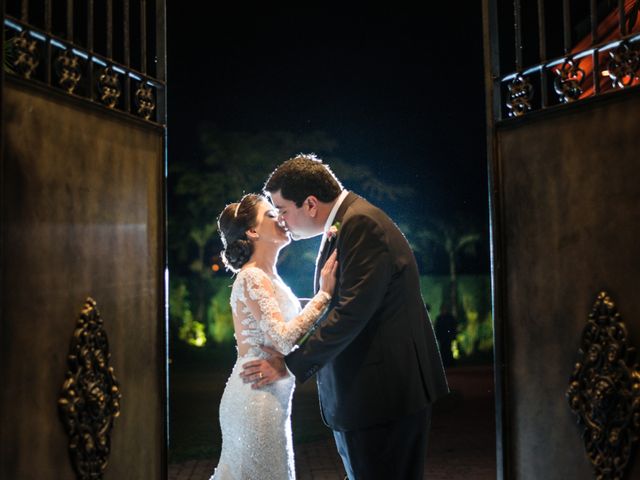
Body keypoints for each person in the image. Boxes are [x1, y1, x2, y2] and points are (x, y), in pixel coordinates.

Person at [241, 154, 450, 479]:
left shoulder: (362, 225)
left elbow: (352, 313)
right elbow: (350, 299)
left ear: (310, 203)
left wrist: (290, 365)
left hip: (381, 397)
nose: (281, 220)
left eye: (282, 210)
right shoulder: (351, 221)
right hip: (375, 396)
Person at [210, 193, 338, 479]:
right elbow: (282, 339)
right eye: (271, 214)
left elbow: (289, 325)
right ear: (252, 231)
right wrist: (324, 295)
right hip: (255, 398)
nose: (281, 218)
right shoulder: (252, 276)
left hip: (271, 396)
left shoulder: (270, 277)